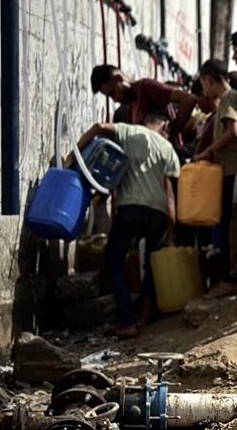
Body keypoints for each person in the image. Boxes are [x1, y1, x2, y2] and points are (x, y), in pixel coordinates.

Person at [73, 113, 179, 339]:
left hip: (131, 208)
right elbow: (169, 194)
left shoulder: (130, 131)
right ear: (165, 125)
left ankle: (128, 320)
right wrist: (171, 231)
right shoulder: (168, 147)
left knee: (113, 261)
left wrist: (73, 156)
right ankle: (144, 318)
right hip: (158, 213)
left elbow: (100, 126)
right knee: (152, 264)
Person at [194, 58, 237, 297]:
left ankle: (232, 279)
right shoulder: (230, 99)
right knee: (229, 223)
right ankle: (231, 276)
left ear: (208, 80)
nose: (204, 91)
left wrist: (207, 151)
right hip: (228, 171)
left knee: (234, 225)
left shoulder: (229, 98)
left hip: (236, 170)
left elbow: (233, 131)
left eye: (204, 85)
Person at [90, 65, 198, 147]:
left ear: (119, 78)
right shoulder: (131, 108)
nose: (114, 99)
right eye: (110, 96)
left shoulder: (145, 87)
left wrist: (173, 134)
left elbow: (189, 99)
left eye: (113, 92)